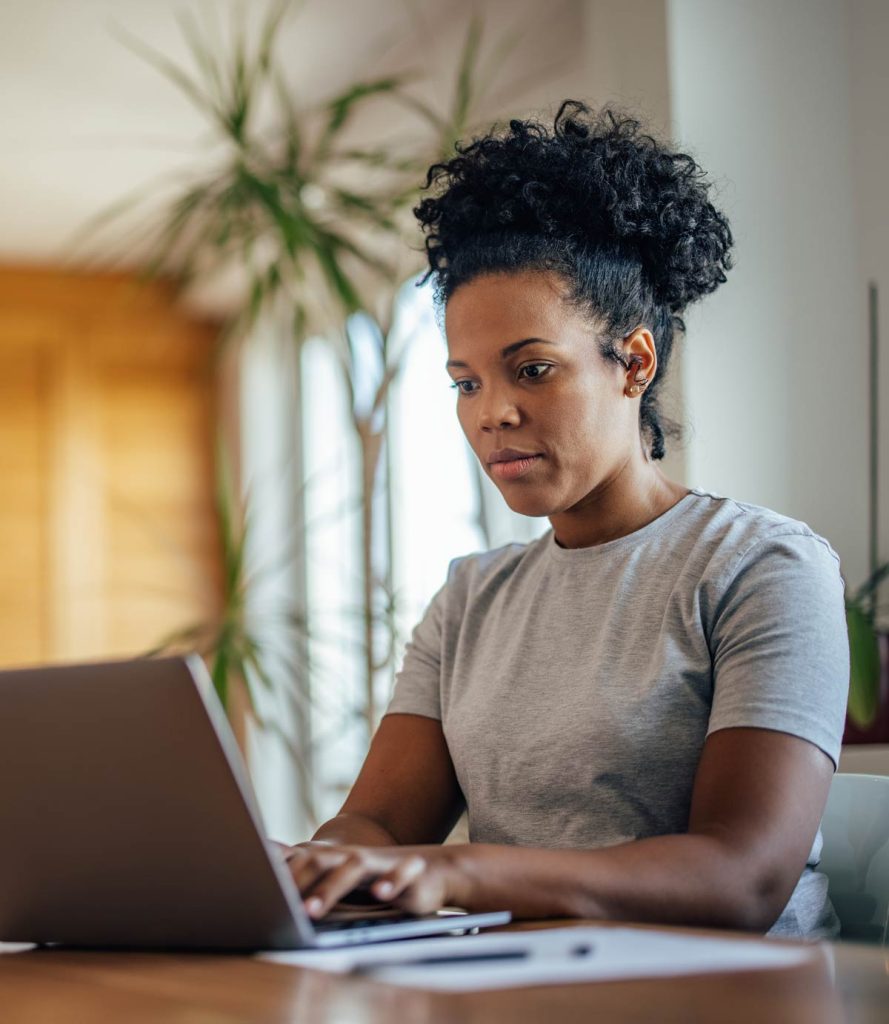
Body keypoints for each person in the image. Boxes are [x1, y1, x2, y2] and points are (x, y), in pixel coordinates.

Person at [283, 100, 850, 939]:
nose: (491, 414)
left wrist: (455, 871)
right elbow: (380, 826)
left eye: (532, 369)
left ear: (634, 360)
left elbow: (743, 878)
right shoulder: (471, 597)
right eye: (465, 382)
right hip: (524, 983)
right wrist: (325, 862)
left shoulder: (761, 568)